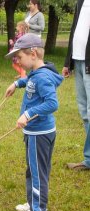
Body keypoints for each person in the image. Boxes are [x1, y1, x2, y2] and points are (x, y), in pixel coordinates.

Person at [5, 33, 63, 211]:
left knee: (38, 172)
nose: (18, 61)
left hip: (39, 134)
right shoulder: (36, 74)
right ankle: (33, 202)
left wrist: (28, 114)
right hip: (34, 133)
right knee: (33, 170)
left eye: (19, 57)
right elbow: (31, 82)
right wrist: (17, 83)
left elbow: (52, 103)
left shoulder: (43, 77)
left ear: (33, 53)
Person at [62, 0, 90, 171]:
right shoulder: (80, 2)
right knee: (84, 113)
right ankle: (89, 159)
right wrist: (68, 62)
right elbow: (74, 30)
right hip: (78, 60)